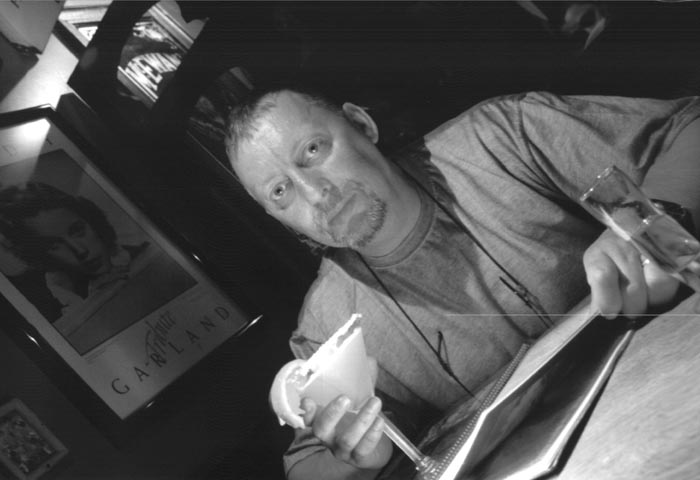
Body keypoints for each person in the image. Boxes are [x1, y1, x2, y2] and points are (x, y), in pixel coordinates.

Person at [224, 87, 700, 479]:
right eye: (281, 192)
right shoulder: (327, 322)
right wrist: (356, 456)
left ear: (362, 125)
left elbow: (687, 126)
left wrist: (650, 222)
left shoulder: (500, 137)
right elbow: (306, 465)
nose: (315, 194)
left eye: (313, 150)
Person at [0, 182, 150, 321]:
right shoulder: (54, 304)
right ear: (41, 256)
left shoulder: (146, 254)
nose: (80, 250)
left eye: (78, 231)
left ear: (93, 221)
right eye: (54, 245)